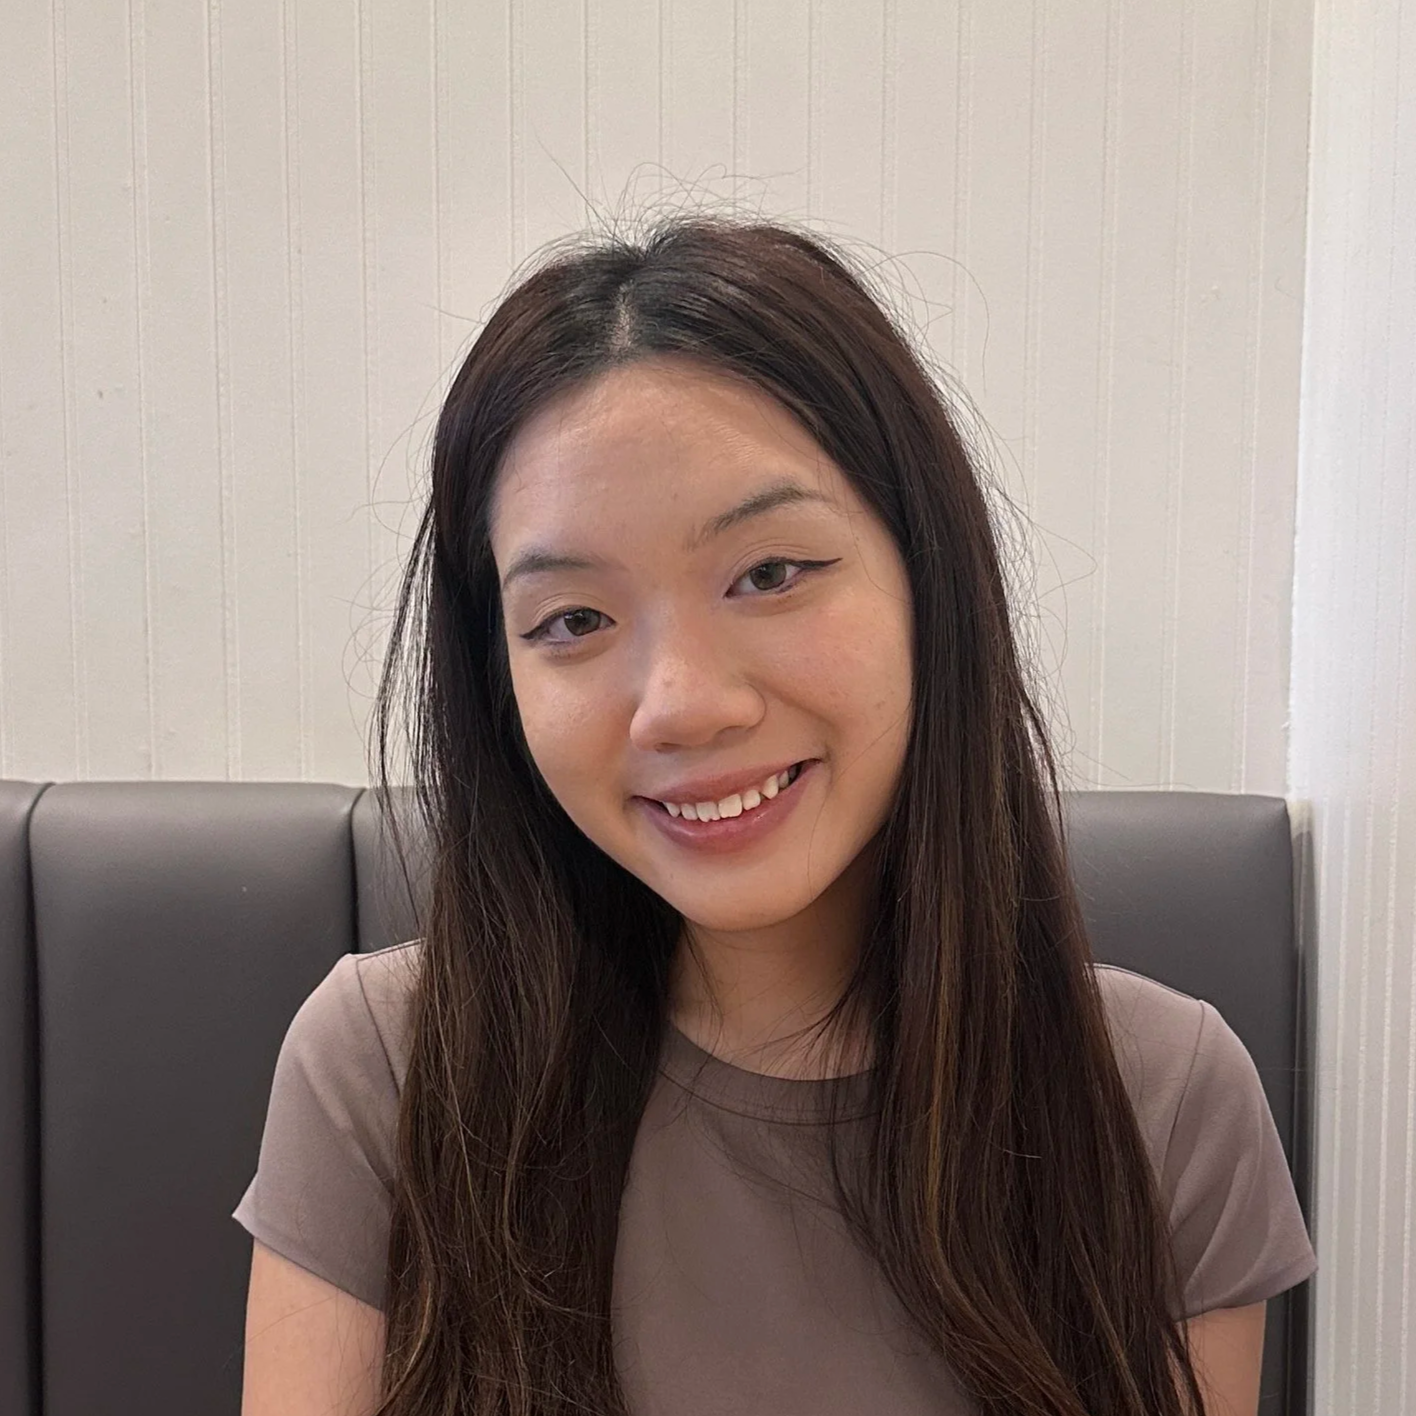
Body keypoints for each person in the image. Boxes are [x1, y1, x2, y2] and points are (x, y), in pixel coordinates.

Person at [232, 216, 1317, 1416]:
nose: (684, 706)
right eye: (572, 621)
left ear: (928, 579)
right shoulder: (386, 1070)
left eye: (770, 573)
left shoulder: (1160, 1101)